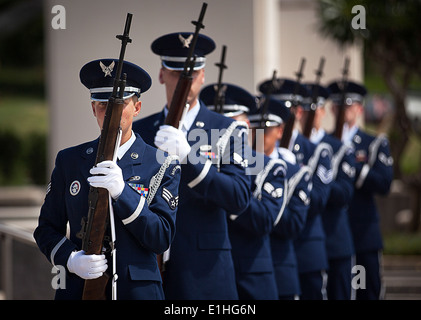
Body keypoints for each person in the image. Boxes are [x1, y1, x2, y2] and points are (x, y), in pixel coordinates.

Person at [33, 58, 181, 300]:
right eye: (102, 105)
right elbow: (46, 229)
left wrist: (124, 194)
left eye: (120, 104)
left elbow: (161, 237)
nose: (110, 113)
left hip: (137, 292)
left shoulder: (162, 163)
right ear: (93, 109)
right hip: (79, 289)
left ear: (137, 107)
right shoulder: (70, 161)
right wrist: (70, 259)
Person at [132, 32, 250, 300]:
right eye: (176, 73)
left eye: (193, 73)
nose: (186, 81)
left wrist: (190, 159)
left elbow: (239, 197)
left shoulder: (228, 129)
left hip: (203, 273)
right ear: (162, 74)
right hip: (146, 268)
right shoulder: (139, 130)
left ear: (203, 75)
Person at [200, 82, 284, 300]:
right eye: (216, 120)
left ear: (246, 125)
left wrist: (228, 195)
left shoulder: (265, 165)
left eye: (229, 122)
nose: (221, 128)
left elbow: (265, 219)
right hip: (205, 271)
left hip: (249, 273)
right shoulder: (196, 164)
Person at [259, 77, 333, 300]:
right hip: (268, 250)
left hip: (306, 244)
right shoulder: (256, 151)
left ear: (298, 112)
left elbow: (319, 199)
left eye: (286, 110)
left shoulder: (315, 151)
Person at [327, 80, 394, 300]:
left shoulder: (372, 143)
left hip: (362, 233)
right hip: (334, 233)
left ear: (359, 108)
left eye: (349, 106)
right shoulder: (325, 145)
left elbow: (384, 183)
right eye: (338, 106)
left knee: (366, 292)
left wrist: (353, 168)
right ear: (332, 109)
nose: (343, 112)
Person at [248, 92, 312, 300]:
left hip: (279, 267)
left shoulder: (293, 172)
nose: (259, 135)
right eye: (255, 128)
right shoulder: (239, 168)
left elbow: (294, 224)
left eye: (266, 129)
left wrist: (265, 209)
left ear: (280, 131)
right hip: (245, 268)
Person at [301, 83, 356, 299]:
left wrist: (317, 184)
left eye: (314, 109)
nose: (309, 115)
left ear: (323, 111)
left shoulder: (338, 147)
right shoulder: (292, 146)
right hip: (305, 241)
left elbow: (344, 193)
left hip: (334, 239)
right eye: (305, 110)